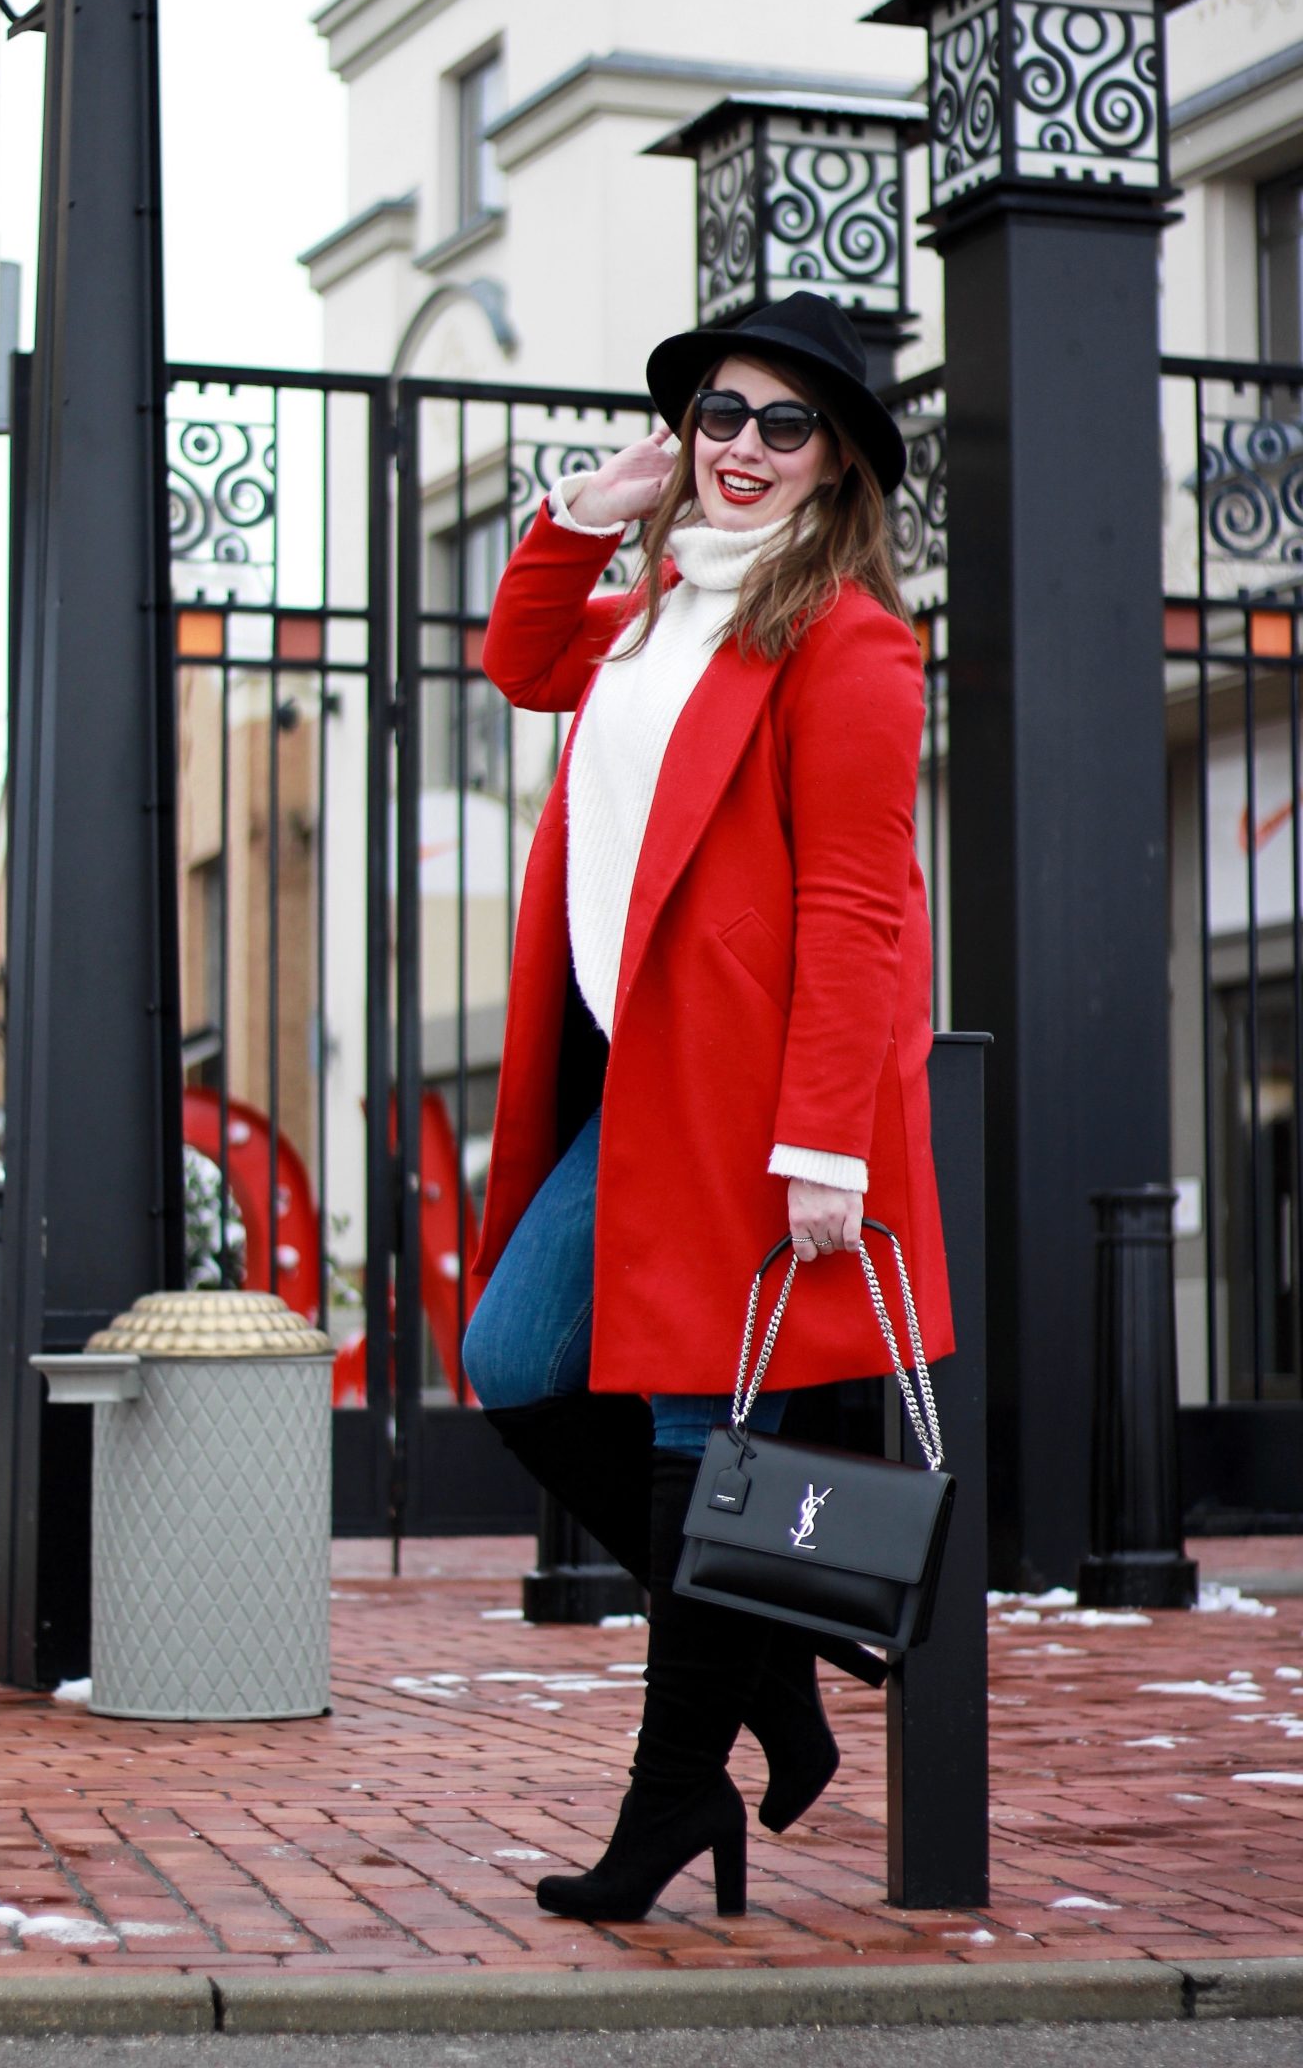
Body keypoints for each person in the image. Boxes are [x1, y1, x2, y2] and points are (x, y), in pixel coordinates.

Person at [461, 290, 953, 1924]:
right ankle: (776, 1661)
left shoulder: (850, 641)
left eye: (781, 426)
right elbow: (521, 659)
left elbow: (861, 911)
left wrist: (826, 1138)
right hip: (635, 1088)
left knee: (690, 1434)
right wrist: (577, 520)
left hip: (748, 1110)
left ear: (835, 466)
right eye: (719, 418)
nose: (741, 450)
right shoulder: (654, 612)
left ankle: (674, 1801)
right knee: (515, 1361)